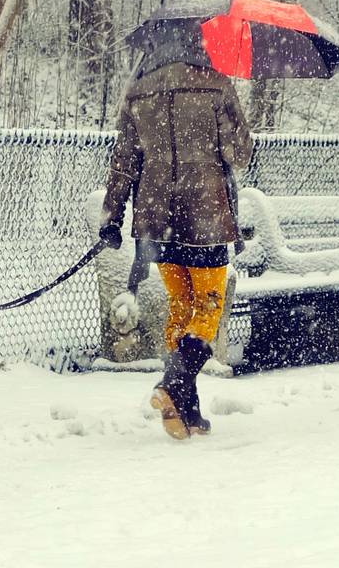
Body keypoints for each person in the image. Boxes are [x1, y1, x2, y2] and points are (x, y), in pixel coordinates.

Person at [98, 60, 253, 440]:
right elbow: (239, 153)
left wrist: (112, 217)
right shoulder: (216, 85)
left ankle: (187, 411)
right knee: (208, 308)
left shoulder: (139, 90)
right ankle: (172, 382)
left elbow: (123, 163)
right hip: (205, 216)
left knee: (181, 308)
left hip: (156, 217)